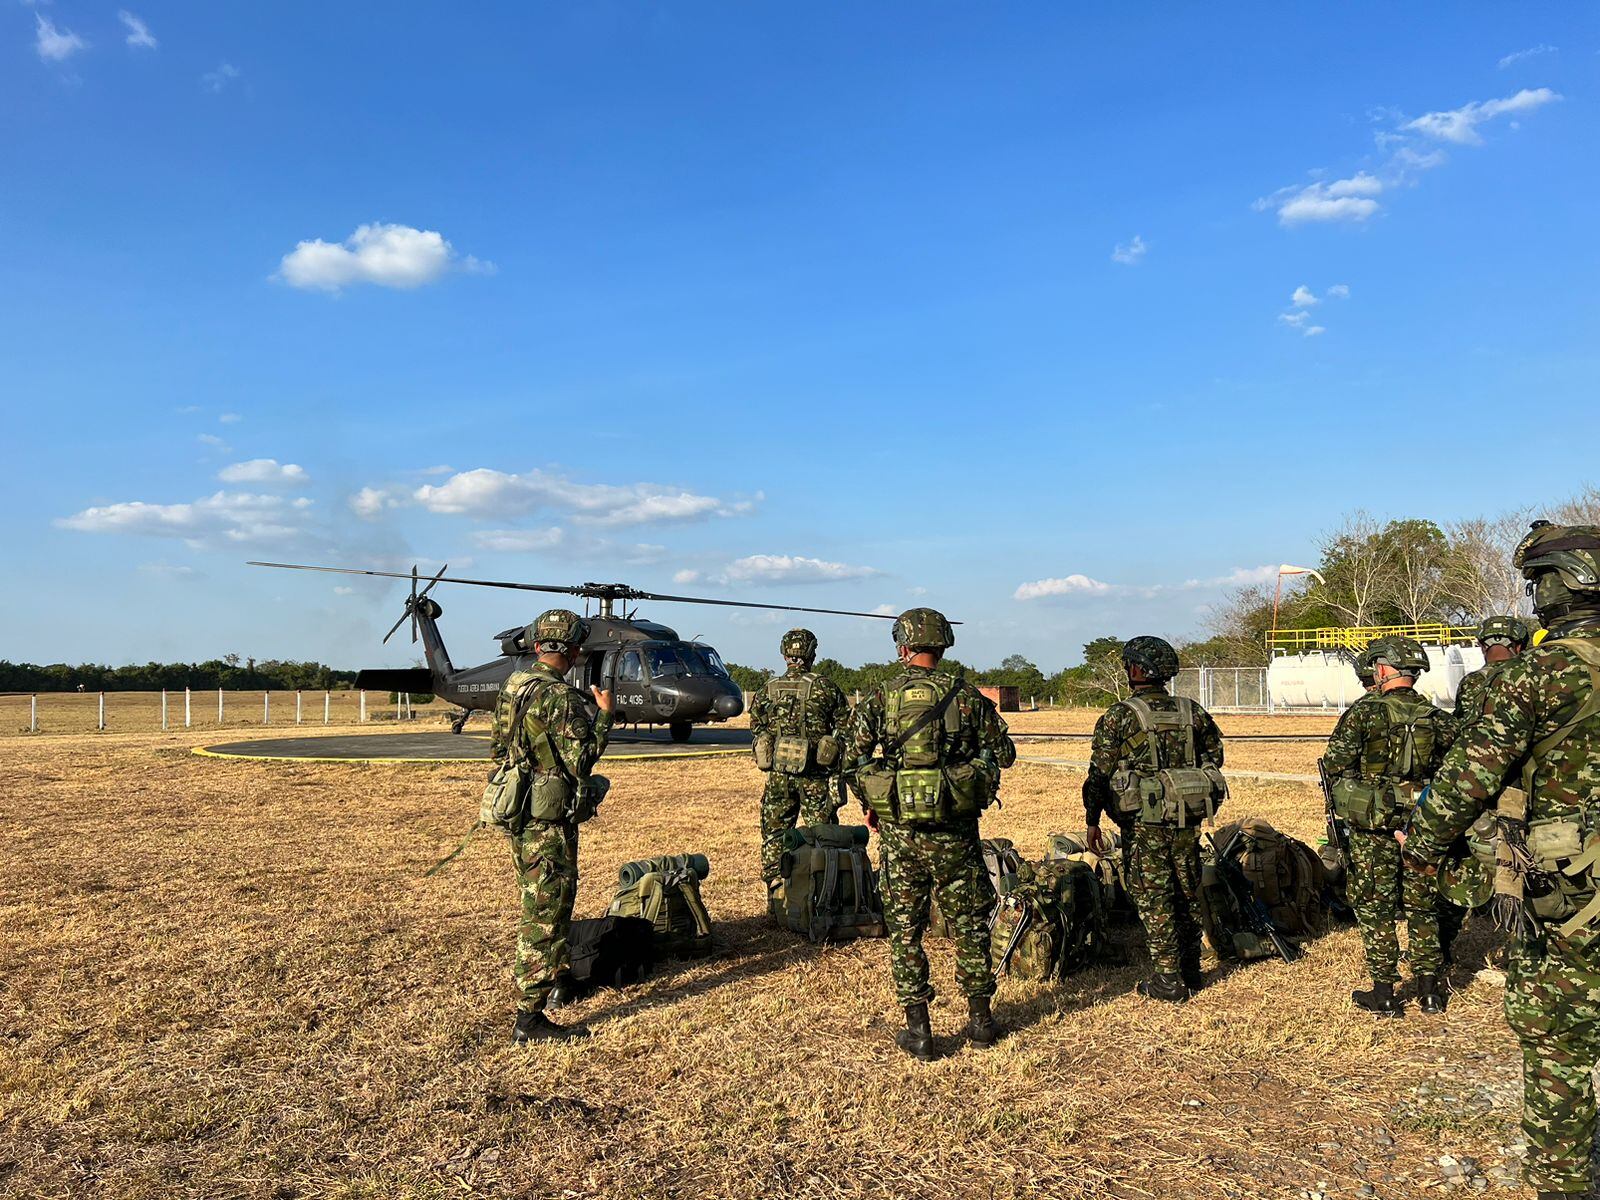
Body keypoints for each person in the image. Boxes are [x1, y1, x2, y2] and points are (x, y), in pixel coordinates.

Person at [1403, 522, 1600, 1200]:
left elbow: (1467, 780)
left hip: (1568, 884)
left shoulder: (1538, 675)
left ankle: (1565, 1182)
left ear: (1558, 585)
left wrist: (1424, 847)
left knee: (1559, 1046)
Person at [847, 607, 1016, 1060]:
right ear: (942, 646)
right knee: (968, 925)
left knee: (905, 930)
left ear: (903, 645)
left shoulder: (881, 698)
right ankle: (981, 1022)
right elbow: (1005, 752)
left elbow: (851, 759)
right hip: (956, 833)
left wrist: (874, 802)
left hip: (901, 835)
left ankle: (919, 1031)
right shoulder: (965, 696)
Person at [488, 609, 614, 1044]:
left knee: (549, 898)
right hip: (547, 820)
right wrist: (604, 716)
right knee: (545, 909)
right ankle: (529, 1018)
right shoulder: (559, 697)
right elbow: (581, 759)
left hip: (521, 810)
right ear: (574, 649)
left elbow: (498, 748)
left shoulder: (514, 686)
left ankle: (558, 981)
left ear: (539, 645)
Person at [1082, 636, 1225, 1001]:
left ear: (1135, 670)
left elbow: (1098, 775)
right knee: (1187, 890)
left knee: (1152, 895)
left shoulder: (1120, 715)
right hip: (1187, 817)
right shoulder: (1191, 710)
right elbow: (1215, 756)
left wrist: (1092, 819)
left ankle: (1168, 978)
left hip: (1142, 823)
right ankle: (1192, 969)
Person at [1323, 634, 1455, 1016]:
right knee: (1423, 905)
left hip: (1372, 829)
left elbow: (1335, 766)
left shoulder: (1364, 713)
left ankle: (1384, 993)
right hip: (1422, 825)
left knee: (1374, 906)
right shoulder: (1438, 719)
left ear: (1381, 669)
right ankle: (1430, 991)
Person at [1437, 615, 1532, 962]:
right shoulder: (1532, 679)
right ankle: (1522, 949)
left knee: (1461, 862)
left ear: (1482, 646)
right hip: (1521, 793)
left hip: (1475, 789)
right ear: (1519, 646)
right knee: (1522, 870)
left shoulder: (1472, 684)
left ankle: (1441, 947)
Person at [748, 628, 851, 914]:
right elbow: (845, 726)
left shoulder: (768, 688)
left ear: (784, 654)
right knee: (823, 834)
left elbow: (756, 725)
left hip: (779, 775)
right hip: (815, 776)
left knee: (775, 835)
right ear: (812, 654)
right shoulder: (826, 688)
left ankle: (777, 900)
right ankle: (823, 898)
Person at [1455, 615, 1534, 727]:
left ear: (1482, 647)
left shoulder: (1470, 681)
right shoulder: (1531, 676)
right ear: (1519, 647)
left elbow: (1459, 724)